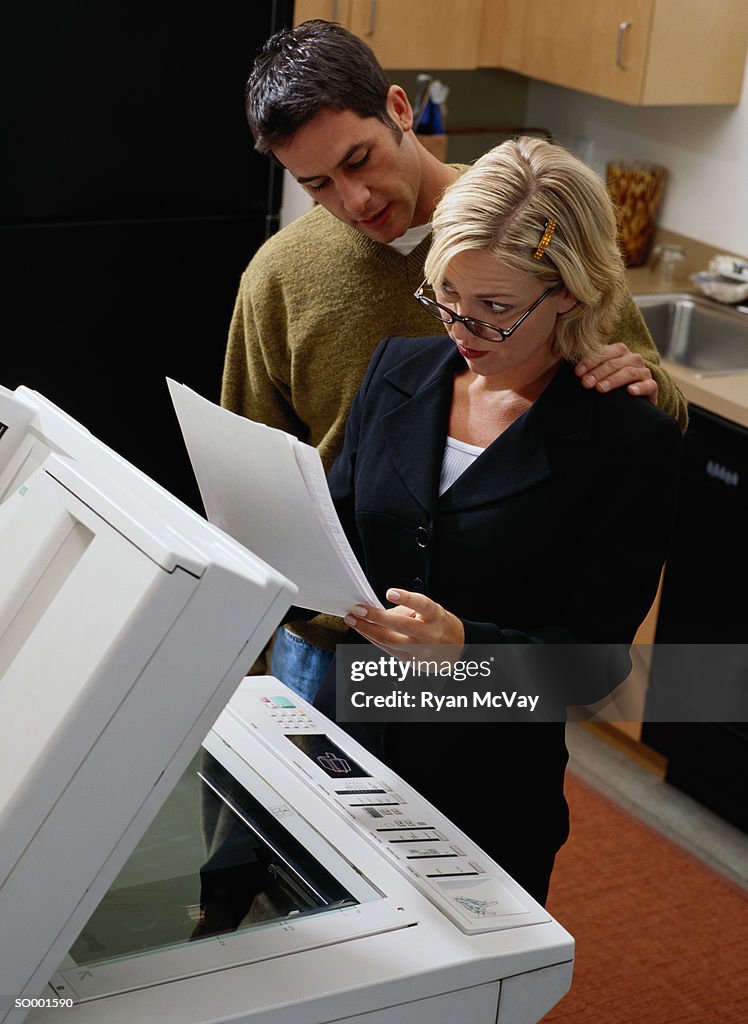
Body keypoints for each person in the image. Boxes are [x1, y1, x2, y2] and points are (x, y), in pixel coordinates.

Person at [221, 19, 688, 702]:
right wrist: (244, 664)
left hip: (489, 637)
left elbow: (641, 410)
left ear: (401, 111)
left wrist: (642, 383)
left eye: (359, 160)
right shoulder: (279, 276)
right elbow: (248, 479)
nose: (354, 201)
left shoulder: (532, 226)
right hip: (328, 641)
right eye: (317, 184)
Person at [311, 136, 683, 905]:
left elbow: (595, 668)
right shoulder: (395, 371)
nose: (463, 329)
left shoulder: (624, 441)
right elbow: (336, 532)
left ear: (572, 296)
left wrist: (465, 650)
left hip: (485, 797)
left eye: (498, 310)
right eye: (447, 296)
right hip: (349, 752)